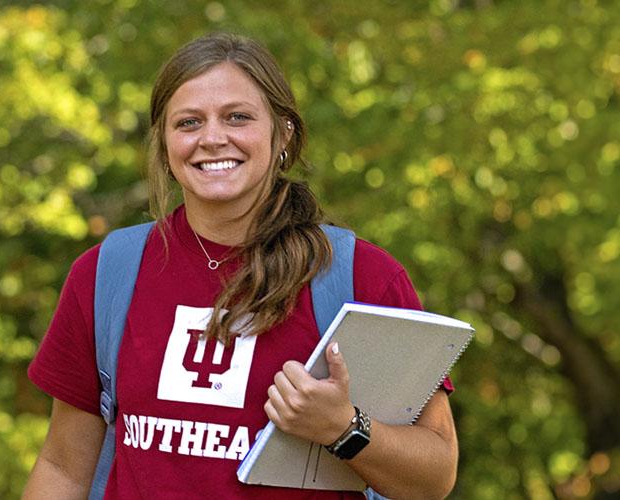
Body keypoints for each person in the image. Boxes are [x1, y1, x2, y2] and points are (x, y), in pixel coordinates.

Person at [23, 32, 458, 499]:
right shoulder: (107, 274)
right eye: (188, 123)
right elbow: (63, 468)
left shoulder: (362, 278)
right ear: (165, 144)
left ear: (283, 133)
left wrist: (342, 427)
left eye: (237, 117)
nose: (212, 139)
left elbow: (434, 477)